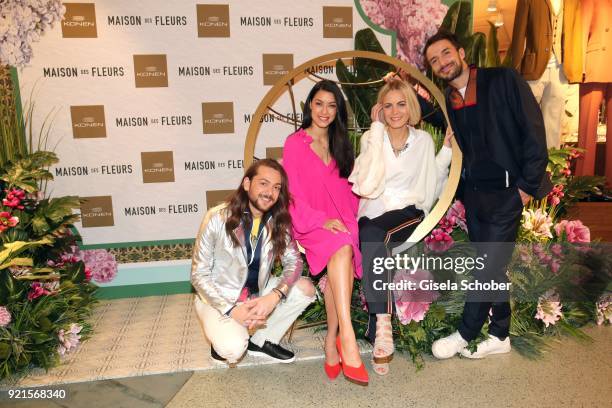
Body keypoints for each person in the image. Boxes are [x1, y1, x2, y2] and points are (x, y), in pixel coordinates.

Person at [423, 30, 549, 359]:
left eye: (446, 53)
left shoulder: (503, 79)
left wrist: (526, 188)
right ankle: (500, 334)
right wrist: (411, 93)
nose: (442, 62)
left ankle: (465, 333)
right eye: (434, 61)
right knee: (492, 267)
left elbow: (534, 130)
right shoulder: (451, 101)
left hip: (509, 193)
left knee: (485, 267)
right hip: (475, 196)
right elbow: (438, 118)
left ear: (462, 52)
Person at [349, 78, 453, 375]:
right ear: (380, 109)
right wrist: (376, 131)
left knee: (372, 235)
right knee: (370, 233)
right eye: (389, 105)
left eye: (401, 104)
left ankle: (381, 325)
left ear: (411, 107)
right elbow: (366, 181)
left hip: (408, 212)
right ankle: (381, 325)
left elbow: (431, 181)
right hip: (375, 210)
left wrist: (445, 151)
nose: (395, 111)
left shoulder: (422, 141)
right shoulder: (372, 137)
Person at [282, 80, 368, 385]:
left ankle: (333, 337)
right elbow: (291, 195)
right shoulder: (295, 143)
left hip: (344, 219)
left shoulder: (342, 144)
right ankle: (347, 336)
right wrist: (321, 221)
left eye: (332, 106)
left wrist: (354, 220)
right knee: (341, 246)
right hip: (309, 221)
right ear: (310, 106)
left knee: (344, 244)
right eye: (319, 103)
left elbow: (352, 189)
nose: (325, 111)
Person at [191, 159, 316, 366]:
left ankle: (262, 341)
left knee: (305, 288)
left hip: (257, 293)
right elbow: (198, 274)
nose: (270, 192)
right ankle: (223, 339)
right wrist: (232, 310)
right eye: (263, 183)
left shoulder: (278, 221)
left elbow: (294, 262)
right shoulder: (217, 218)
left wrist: (274, 297)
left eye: (277, 187)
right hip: (219, 298)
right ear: (247, 184)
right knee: (232, 349)